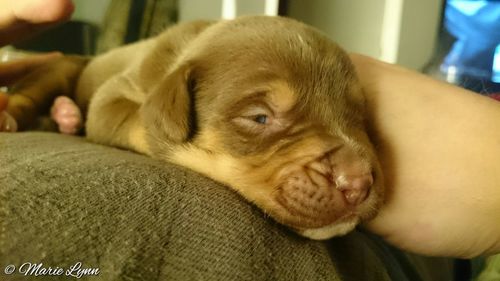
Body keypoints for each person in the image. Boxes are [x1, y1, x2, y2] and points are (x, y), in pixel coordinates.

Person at [0, 0, 499, 259]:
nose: (355, 173)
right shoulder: (175, 73)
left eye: (355, 117)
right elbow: (111, 107)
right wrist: (183, 151)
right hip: (86, 72)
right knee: (60, 71)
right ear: (180, 103)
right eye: (261, 118)